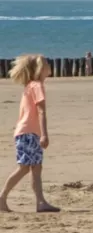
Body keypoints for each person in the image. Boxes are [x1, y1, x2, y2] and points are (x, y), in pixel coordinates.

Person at [2, 54, 58, 213]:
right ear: (40, 68)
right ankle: (2, 197)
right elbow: (41, 111)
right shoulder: (37, 86)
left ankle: (41, 202)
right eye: (46, 63)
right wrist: (44, 134)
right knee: (24, 167)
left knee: (36, 167)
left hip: (26, 132)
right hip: (29, 133)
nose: (49, 65)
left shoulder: (30, 85)